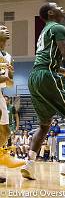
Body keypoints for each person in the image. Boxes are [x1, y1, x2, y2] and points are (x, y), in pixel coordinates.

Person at [21, 2, 65, 181]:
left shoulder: (45, 31)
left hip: (35, 77)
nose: (62, 7)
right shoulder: (58, 27)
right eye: (58, 6)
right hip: (47, 76)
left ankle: (29, 164)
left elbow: (44, 59)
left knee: (44, 125)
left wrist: (62, 70)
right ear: (51, 13)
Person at [0, 25, 24, 184]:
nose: (5, 28)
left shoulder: (8, 56)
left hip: (0, 92)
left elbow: (9, 84)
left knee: (6, 131)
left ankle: (2, 155)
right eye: (1, 28)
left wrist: (9, 78)